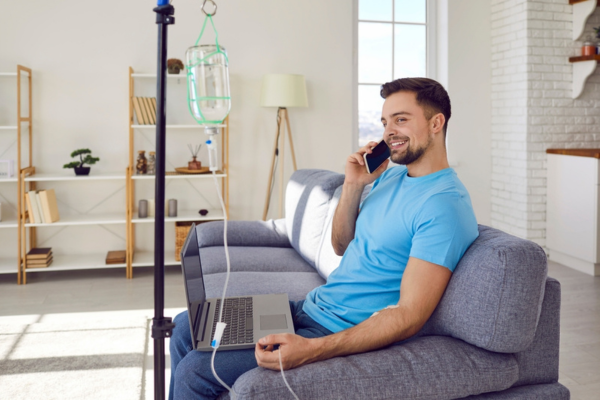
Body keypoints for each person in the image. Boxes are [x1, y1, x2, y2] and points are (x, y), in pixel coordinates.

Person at [169, 77, 479, 399]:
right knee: (184, 327)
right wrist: (353, 185)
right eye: (386, 122)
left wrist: (312, 349)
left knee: (195, 371)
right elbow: (341, 245)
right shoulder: (393, 175)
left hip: (335, 330)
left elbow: (409, 316)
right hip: (311, 308)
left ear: (436, 123)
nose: (389, 132)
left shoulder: (444, 206)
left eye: (401, 119)